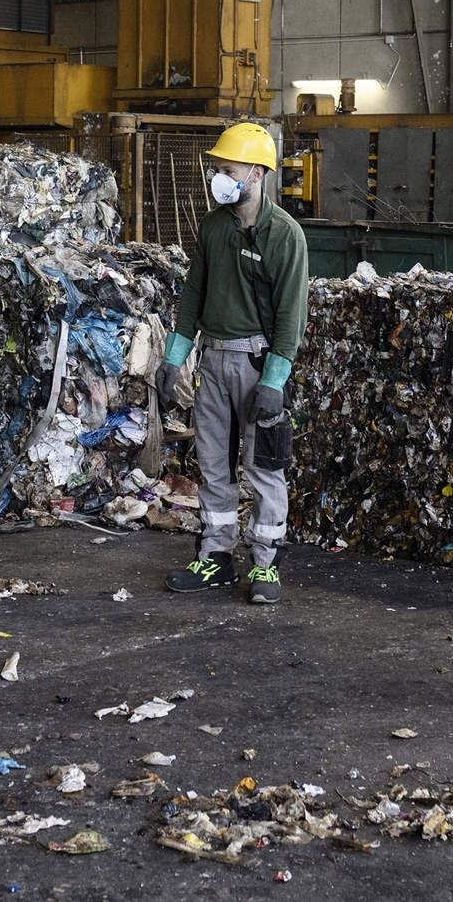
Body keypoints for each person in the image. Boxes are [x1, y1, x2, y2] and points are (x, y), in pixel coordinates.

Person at [157, 122, 307, 605]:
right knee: (214, 466)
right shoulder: (213, 226)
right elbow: (193, 296)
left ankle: (265, 564)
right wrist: (174, 358)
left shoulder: (285, 236)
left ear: (257, 173)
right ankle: (216, 555)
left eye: (228, 169)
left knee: (263, 466)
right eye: (217, 168)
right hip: (213, 361)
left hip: (257, 363)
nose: (218, 177)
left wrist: (275, 380)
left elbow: (291, 313)